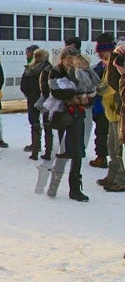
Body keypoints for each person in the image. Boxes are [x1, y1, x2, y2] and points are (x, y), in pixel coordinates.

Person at [46, 46, 89, 201]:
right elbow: (55, 91)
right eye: (68, 59)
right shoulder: (55, 72)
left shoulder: (79, 72)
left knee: (77, 152)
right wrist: (74, 95)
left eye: (73, 58)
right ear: (62, 59)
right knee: (63, 154)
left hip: (77, 115)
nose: (71, 62)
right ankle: (53, 185)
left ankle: (75, 188)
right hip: (62, 116)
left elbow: (88, 88)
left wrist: (82, 96)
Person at [97, 41, 125, 192]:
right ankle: (113, 176)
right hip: (111, 113)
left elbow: (113, 87)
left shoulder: (115, 67)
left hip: (118, 113)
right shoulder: (107, 67)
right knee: (111, 147)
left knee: (118, 149)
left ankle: (121, 179)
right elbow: (106, 85)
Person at [89, 33, 115, 168]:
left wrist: (97, 90)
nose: (99, 55)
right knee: (101, 133)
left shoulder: (116, 65)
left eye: (102, 52)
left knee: (111, 137)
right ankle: (102, 157)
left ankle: (107, 160)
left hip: (112, 106)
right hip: (101, 106)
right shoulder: (100, 66)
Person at [20, 46, 49, 160]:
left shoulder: (30, 68)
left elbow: (23, 84)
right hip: (46, 98)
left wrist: (29, 93)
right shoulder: (49, 67)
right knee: (47, 123)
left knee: (34, 122)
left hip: (33, 97)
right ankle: (48, 150)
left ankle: (35, 149)